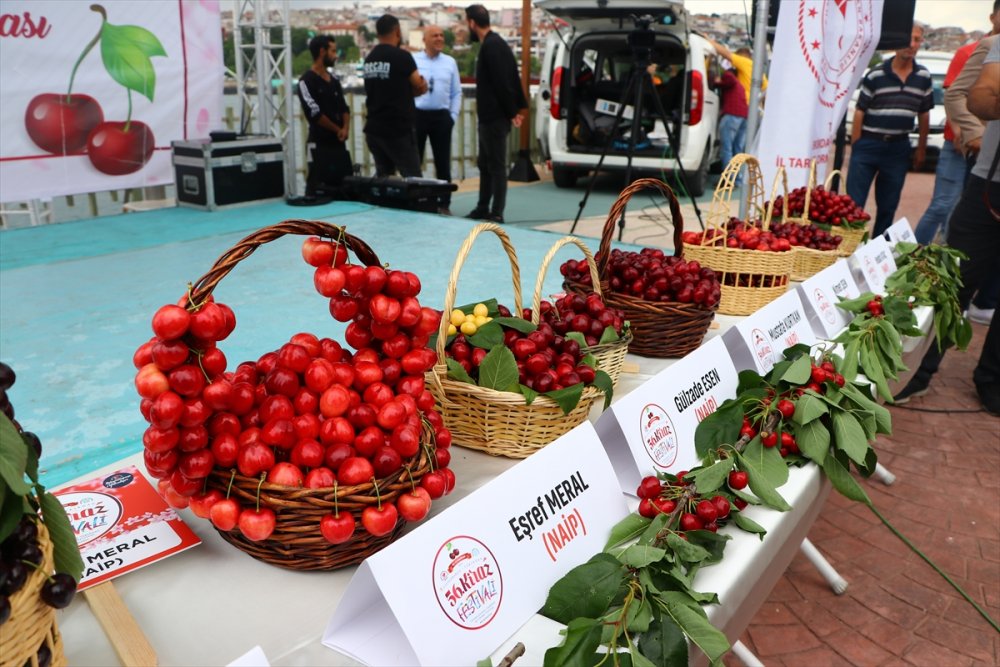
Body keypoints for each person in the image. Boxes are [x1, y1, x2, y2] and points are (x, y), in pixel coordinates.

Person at [894, 37, 1000, 415]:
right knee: (955, 280)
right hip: (992, 183)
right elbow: (975, 97)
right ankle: (916, 371)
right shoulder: (996, 45)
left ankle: (993, 380)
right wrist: (973, 134)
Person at [914, 4, 1000, 245]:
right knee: (946, 206)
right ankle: (917, 255)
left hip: (988, 153)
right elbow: (954, 94)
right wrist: (972, 134)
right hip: (963, 147)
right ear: (992, 17)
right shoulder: (978, 49)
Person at [847, 25, 933, 237]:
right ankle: (847, 252)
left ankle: (876, 253)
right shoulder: (876, 75)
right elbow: (860, 111)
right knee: (853, 206)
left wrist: (921, 148)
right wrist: (857, 145)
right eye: (909, 39)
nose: (913, 45)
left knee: (888, 207)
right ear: (897, 42)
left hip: (898, 148)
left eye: (917, 40)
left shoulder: (923, 76)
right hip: (868, 144)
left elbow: (924, 114)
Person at [464, 4, 527, 224]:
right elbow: (513, 77)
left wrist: (513, 112)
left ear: (472, 22)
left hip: (495, 117)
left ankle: (496, 210)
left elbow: (502, 82)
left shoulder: (492, 46)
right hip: (491, 117)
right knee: (486, 164)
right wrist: (519, 107)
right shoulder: (497, 44)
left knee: (497, 166)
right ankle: (483, 206)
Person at [363, 15, 428, 178]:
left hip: (374, 128)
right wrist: (420, 87)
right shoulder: (402, 57)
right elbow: (418, 85)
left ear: (378, 33)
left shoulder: (369, 59)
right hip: (398, 129)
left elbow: (379, 88)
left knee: (384, 178)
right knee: (412, 177)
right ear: (397, 31)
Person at [414, 25, 462, 215]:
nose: (440, 38)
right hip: (418, 115)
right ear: (425, 39)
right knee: (415, 161)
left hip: (442, 117)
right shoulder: (414, 60)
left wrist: (452, 116)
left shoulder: (450, 62)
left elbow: (456, 92)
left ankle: (444, 203)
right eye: (435, 35)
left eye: (442, 35)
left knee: (443, 163)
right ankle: (417, 199)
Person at [297, 35, 352, 197]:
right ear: (322, 52)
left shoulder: (334, 81)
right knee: (316, 182)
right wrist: (337, 129)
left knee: (342, 183)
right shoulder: (306, 81)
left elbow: (344, 108)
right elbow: (314, 113)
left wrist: (345, 128)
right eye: (333, 51)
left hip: (338, 143)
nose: (336, 55)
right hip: (319, 142)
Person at [713, 65, 748, 179]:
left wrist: (716, 82)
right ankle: (737, 178)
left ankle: (729, 180)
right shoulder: (740, 86)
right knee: (737, 149)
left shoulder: (729, 76)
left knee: (727, 148)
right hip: (744, 116)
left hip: (732, 115)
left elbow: (729, 79)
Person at [707, 39, 767, 105]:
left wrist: (709, 41)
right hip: (754, 109)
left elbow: (726, 54)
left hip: (744, 105)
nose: (733, 64)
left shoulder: (744, 62)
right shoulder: (757, 69)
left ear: (741, 57)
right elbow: (766, 89)